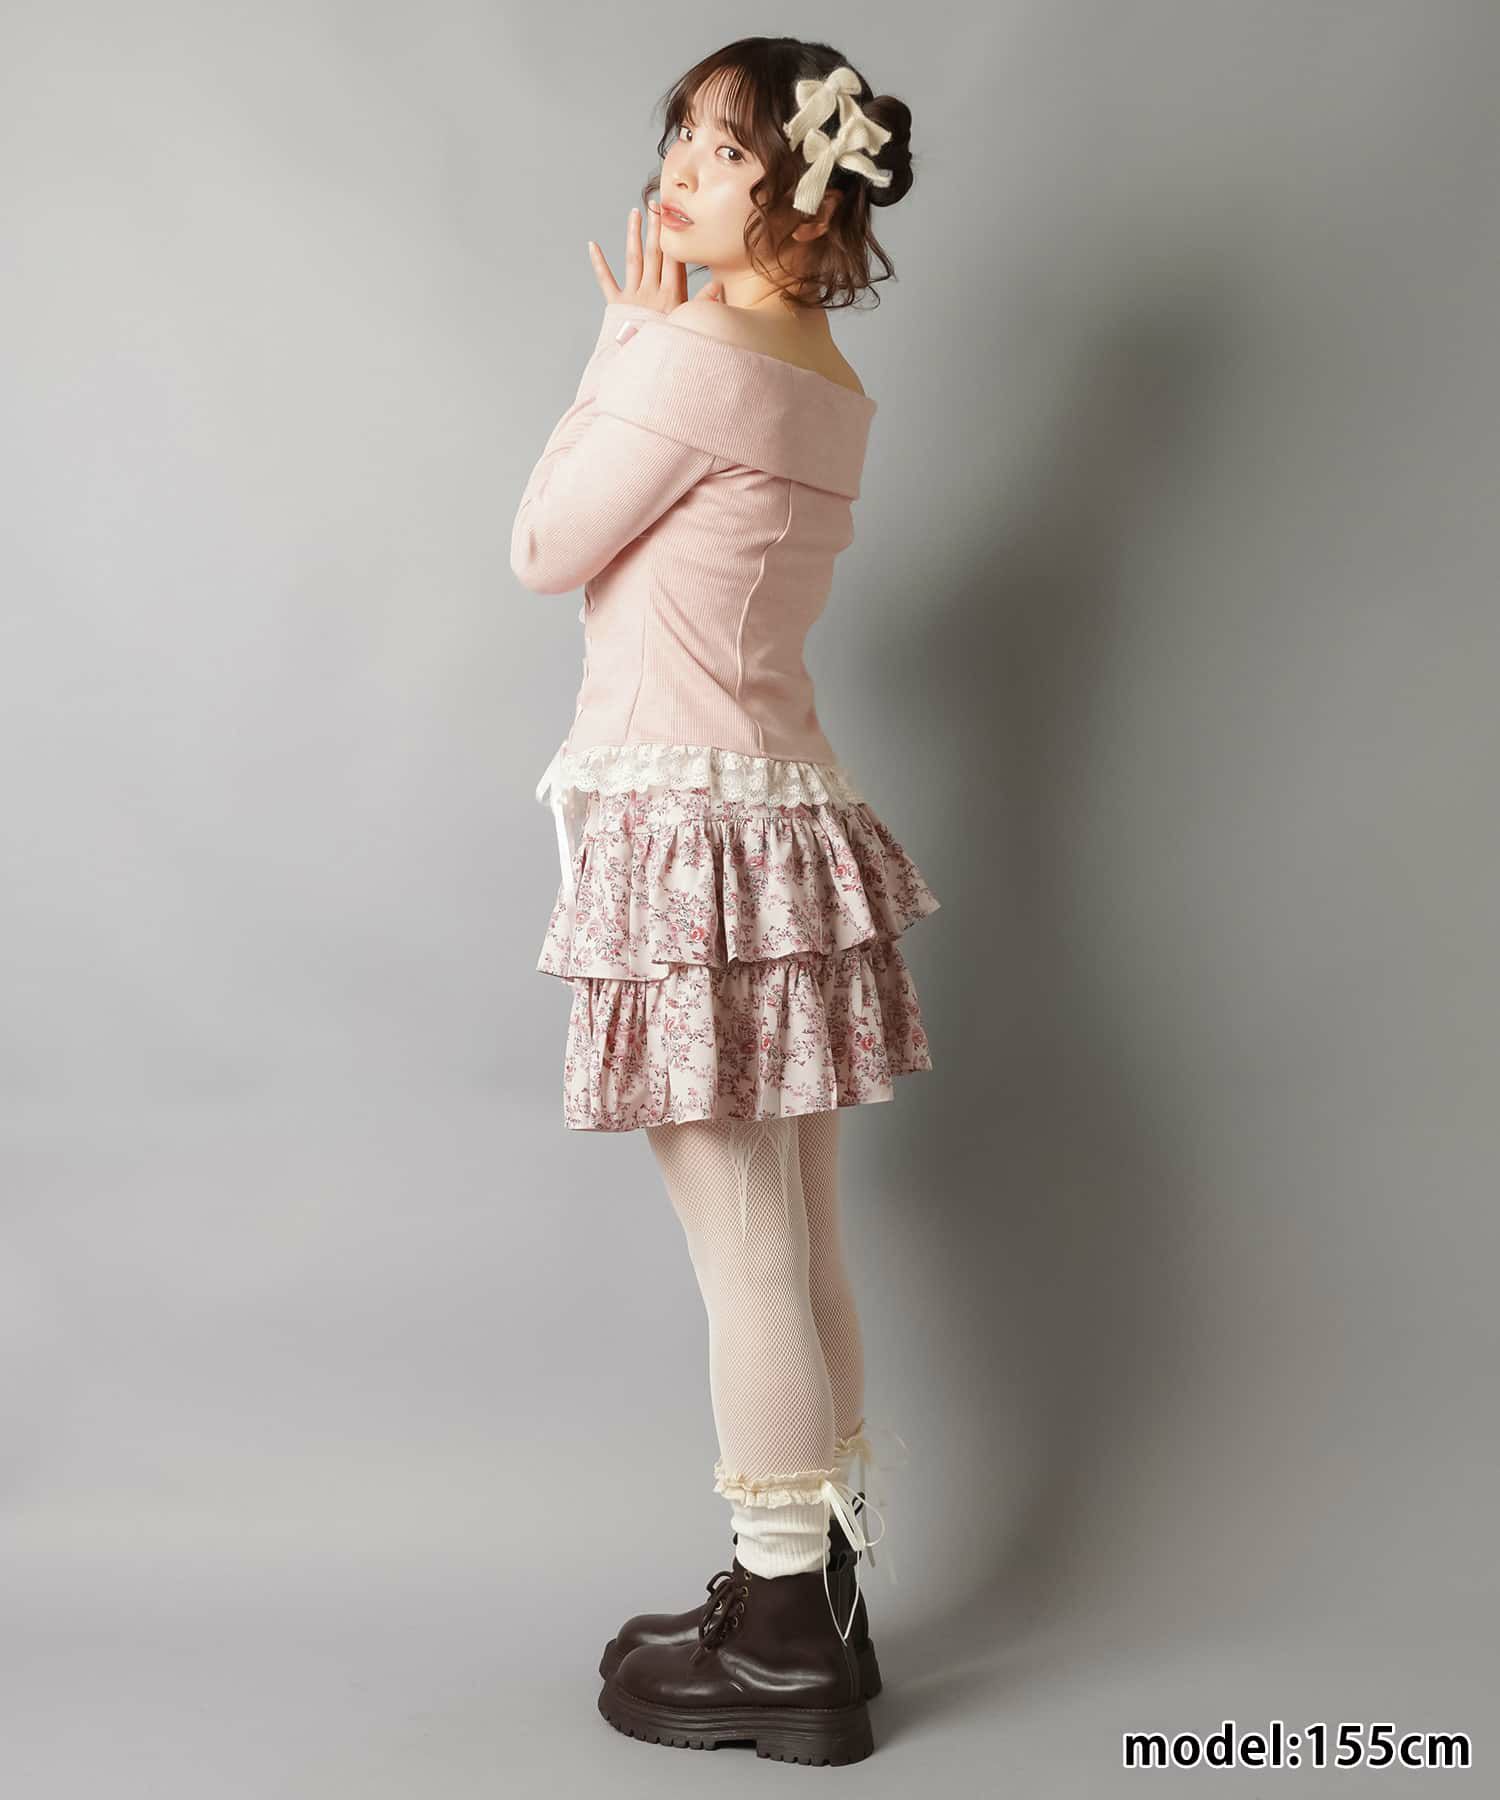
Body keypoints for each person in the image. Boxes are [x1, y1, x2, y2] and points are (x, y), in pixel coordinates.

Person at [510, 37, 936, 1766]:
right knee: (802, 1235)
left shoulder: (693, 354)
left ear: (805, 193)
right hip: (782, 818)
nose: (679, 169)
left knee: (747, 1246)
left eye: (725, 146)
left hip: (690, 827)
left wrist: (623, 340)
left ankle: (779, 1640)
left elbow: (544, 546)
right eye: (679, 135)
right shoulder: (826, 373)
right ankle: (812, 1591)